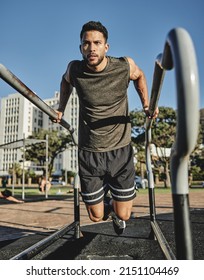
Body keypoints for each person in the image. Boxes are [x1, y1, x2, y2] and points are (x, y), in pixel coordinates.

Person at [54, 21, 158, 234]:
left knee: (124, 215)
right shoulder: (74, 69)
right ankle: (107, 203)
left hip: (120, 149)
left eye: (97, 43)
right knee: (96, 216)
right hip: (90, 152)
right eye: (86, 43)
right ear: (81, 47)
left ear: (106, 47)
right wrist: (60, 108)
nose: (91, 48)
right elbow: (65, 82)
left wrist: (146, 105)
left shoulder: (123, 66)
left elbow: (139, 76)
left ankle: (117, 206)